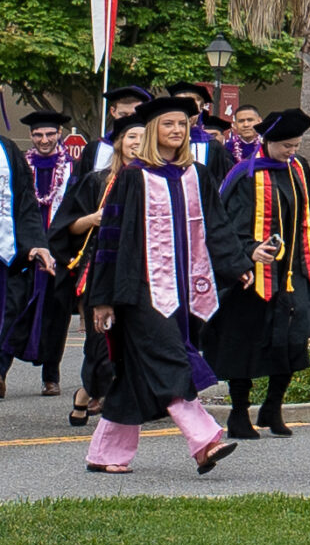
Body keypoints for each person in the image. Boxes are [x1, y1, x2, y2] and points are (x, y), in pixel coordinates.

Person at [84, 98, 258, 474]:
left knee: (133, 374)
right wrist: (103, 299)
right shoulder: (133, 177)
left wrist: (237, 264)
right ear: (152, 132)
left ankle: (106, 454)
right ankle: (205, 441)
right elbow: (110, 241)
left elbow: (218, 225)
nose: (177, 131)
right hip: (141, 290)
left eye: (182, 124)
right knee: (171, 359)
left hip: (186, 289)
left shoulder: (197, 174)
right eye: (168, 125)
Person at [207, 110, 310, 438]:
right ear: (268, 142)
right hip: (253, 277)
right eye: (285, 146)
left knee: (294, 341)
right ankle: (238, 414)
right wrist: (250, 250)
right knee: (245, 345)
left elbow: (303, 219)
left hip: (292, 272)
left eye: (295, 145)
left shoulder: (297, 168)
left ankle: (272, 406)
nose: (291, 151)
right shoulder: (246, 175)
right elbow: (225, 226)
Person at [51, 120, 147, 425]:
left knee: (134, 342)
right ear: (119, 142)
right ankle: (91, 390)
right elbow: (67, 227)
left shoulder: (156, 181)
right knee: (100, 342)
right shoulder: (97, 181)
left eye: (144, 137)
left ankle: (97, 396)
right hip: (100, 271)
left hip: (142, 272)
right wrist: (93, 218)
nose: (138, 142)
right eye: (132, 136)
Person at [0, 110, 80, 396]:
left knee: (55, 316)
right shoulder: (20, 164)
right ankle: (1, 371)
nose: (44, 139)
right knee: (13, 310)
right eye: (37, 135)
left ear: (59, 133)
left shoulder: (74, 169)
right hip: (22, 251)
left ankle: (51, 376)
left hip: (59, 253)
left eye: (49, 134)